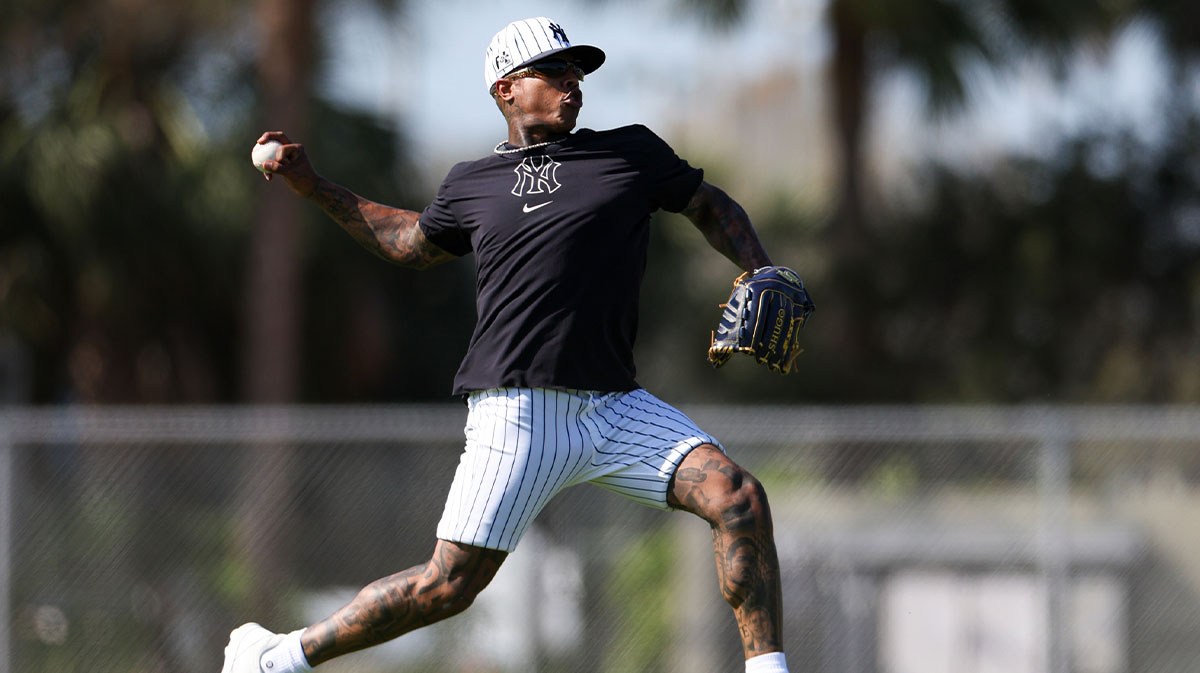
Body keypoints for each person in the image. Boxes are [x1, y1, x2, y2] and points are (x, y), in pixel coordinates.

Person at [222, 17, 792, 673]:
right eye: (554, 72)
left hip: (615, 406)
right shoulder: (472, 181)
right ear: (507, 89)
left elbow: (711, 205)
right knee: (447, 587)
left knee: (737, 496)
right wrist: (314, 186)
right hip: (518, 413)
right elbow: (411, 244)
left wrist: (760, 268)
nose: (572, 84)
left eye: (576, 72)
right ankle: (278, 657)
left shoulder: (630, 153)